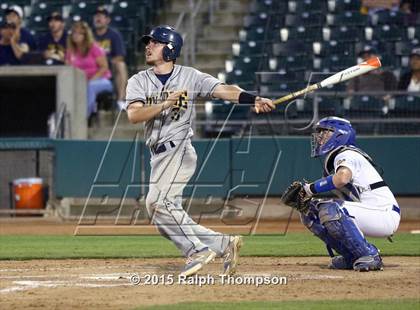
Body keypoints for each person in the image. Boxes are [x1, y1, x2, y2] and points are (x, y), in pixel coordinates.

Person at [125, 25, 274, 277]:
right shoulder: (138, 81)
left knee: (157, 203)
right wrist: (165, 103)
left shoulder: (190, 76)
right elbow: (134, 115)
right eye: (148, 42)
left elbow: (223, 89)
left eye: (155, 42)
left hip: (179, 149)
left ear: (170, 49)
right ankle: (223, 244)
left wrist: (253, 98)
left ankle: (196, 250)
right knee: (165, 215)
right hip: (158, 155)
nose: (148, 46)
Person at [281, 116, 400, 271]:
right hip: (372, 212)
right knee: (310, 211)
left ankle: (370, 254)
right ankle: (352, 256)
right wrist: (310, 198)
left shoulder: (347, 154)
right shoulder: (338, 157)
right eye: (320, 133)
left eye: (325, 133)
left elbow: (342, 178)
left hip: (384, 213)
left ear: (340, 134)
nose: (319, 137)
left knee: (330, 208)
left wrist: (308, 189)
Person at [65, 21, 113, 119]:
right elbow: (68, 69)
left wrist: (91, 80)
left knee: (89, 86)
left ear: (86, 35)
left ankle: (83, 117)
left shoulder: (94, 48)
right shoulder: (70, 51)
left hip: (101, 80)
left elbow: (104, 67)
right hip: (79, 81)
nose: (76, 35)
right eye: (74, 33)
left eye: (79, 33)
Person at [93, 6, 128, 109]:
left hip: (109, 65)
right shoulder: (89, 35)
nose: (98, 18)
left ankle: (120, 100)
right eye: (96, 16)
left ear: (107, 20)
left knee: (121, 65)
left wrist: (107, 63)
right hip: (92, 65)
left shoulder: (114, 35)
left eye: (101, 16)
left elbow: (120, 56)